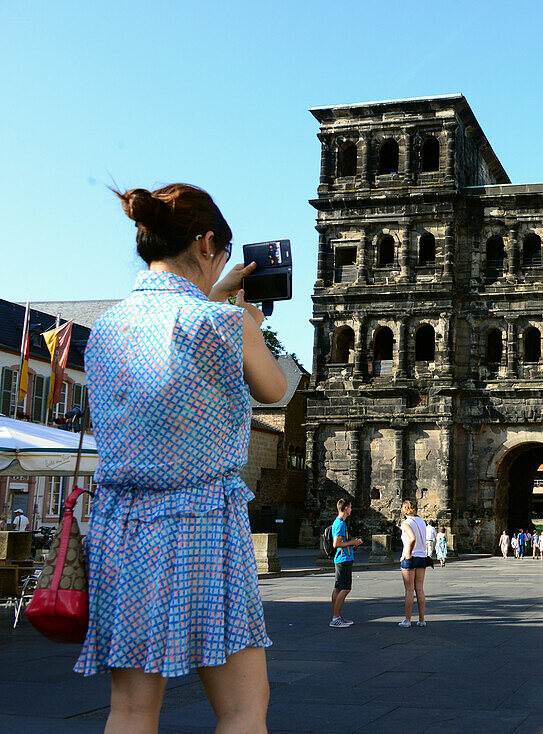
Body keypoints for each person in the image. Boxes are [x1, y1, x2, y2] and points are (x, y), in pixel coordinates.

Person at [76, 183, 286, 733]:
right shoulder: (223, 326)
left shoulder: (106, 328)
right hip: (203, 524)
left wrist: (217, 293)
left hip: (123, 525)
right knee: (243, 707)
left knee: (130, 709)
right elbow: (272, 387)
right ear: (208, 242)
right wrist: (249, 327)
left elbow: (173, 331)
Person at [330, 498, 362, 628]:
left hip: (342, 558)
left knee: (338, 588)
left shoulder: (339, 522)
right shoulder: (340, 524)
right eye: (350, 507)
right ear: (346, 508)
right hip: (343, 559)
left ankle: (336, 616)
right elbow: (336, 544)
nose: (351, 509)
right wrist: (353, 543)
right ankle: (335, 618)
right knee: (345, 588)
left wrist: (351, 543)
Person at [399, 500, 430, 627]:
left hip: (410, 557)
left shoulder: (406, 523)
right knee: (420, 589)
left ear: (404, 510)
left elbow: (412, 539)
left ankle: (407, 620)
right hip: (422, 556)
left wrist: (408, 553)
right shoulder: (422, 521)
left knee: (409, 590)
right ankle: (421, 619)